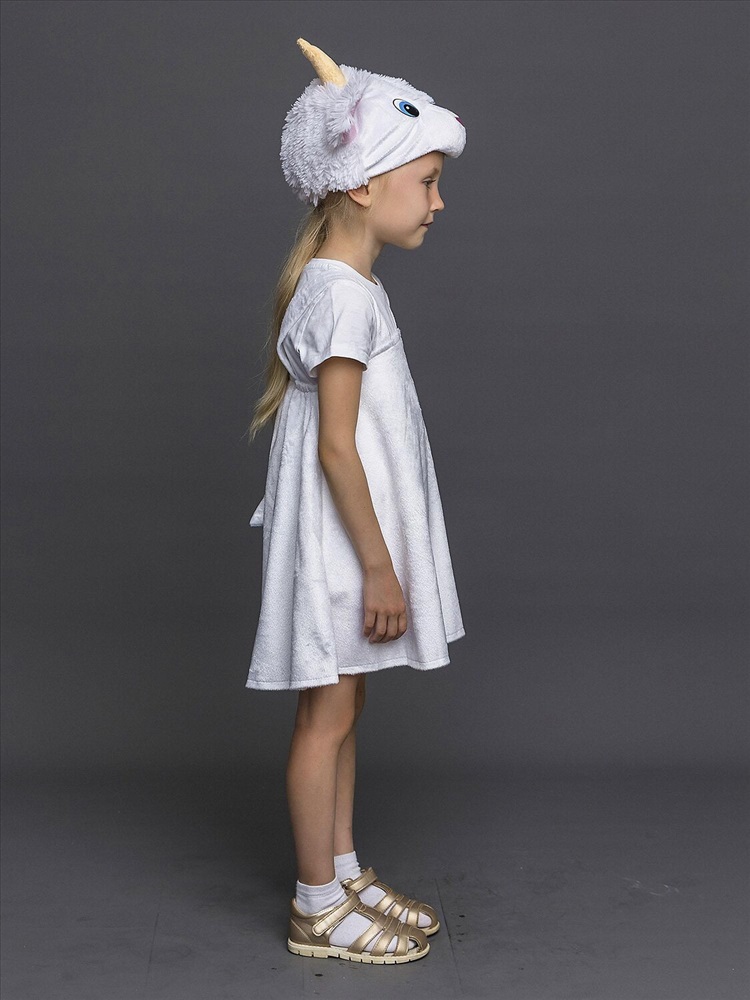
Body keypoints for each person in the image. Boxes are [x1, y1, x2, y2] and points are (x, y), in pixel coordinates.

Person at [245, 38, 467, 965]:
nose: (439, 202)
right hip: (345, 548)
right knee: (326, 716)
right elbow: (337, 446)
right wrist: (381, 567)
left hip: (348, 541)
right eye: (428, 181)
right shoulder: (342, 298)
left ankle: (340, 872)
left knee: (345, 706)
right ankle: (315, 906)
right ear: (367, 185)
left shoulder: (346, 287)